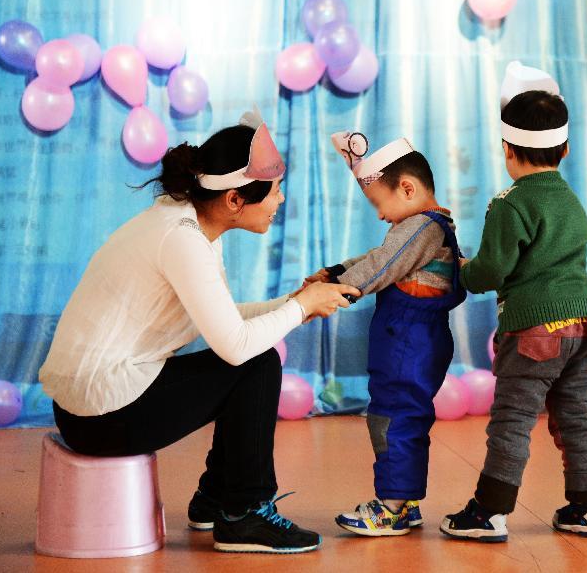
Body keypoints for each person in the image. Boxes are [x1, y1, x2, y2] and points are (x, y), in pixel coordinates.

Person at [39, 108, 360, 554]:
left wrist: (296, 305)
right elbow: (233, 345)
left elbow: (222, 317)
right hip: (100, 416)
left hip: (88, 405)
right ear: (234, 200)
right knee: (257, 364)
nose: (281, 200)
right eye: (274, 191)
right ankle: (244, 513)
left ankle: (215, 500)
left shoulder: (186, 223)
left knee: (253, 361)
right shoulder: (183, 239)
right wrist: (301, 306)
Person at [441, 62, 587, 542]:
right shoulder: (570, 199)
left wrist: (461, 266)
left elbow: (489, 272)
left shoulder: (510, 203)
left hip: (533, 330)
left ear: (506, 149)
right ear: (567, 148)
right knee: (576, 418)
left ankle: (489, 513)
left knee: (512, 420)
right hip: (582, 328)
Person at [305, 131, 465, 536]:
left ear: (407, 188)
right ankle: (404, 499)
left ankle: (391, 505)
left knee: (394, 417)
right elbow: (378, 259)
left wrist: (338, 289)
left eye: (379, 204)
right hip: (410, 339)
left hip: (408, 342)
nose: (379, 215)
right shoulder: (427, 227)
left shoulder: (420, 227)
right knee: (402, 416)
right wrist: (336, 272)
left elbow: (380, 264)